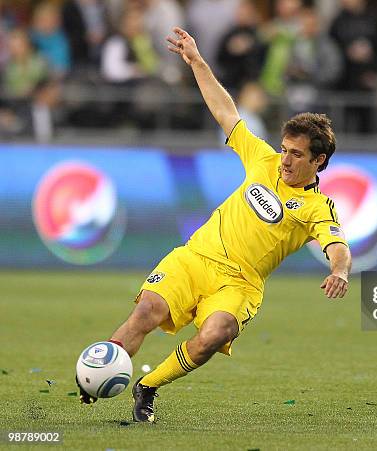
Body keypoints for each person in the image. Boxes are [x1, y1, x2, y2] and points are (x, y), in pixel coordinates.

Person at [77, 27, 352, 423]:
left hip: (238, 284)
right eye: (285, 149)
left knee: (215, 334)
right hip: (195, 258)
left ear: (319, 161)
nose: (286, 160)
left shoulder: (316, 207)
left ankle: (148, 386)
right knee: (145, 312)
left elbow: (337, 246)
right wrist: (197, 61)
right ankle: (97, 373)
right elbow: (226, 112)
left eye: (296, 155)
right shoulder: (263, 160)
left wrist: (339, 271)